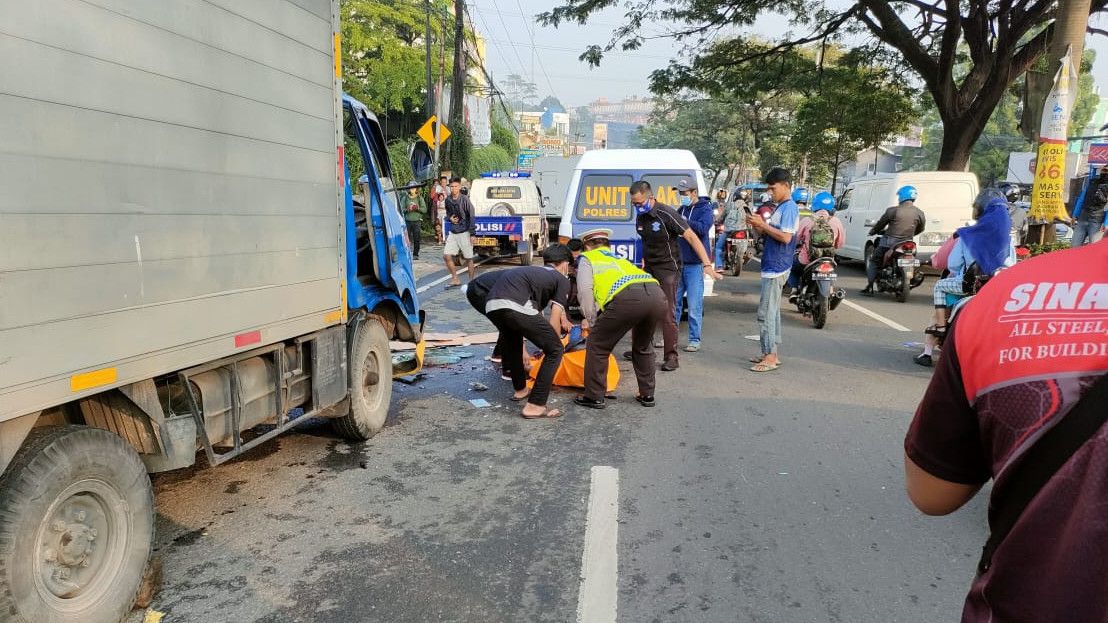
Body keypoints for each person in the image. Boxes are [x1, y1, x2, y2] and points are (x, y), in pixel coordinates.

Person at [903, 241, 1108, 623]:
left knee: (940, 292)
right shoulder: (1001, 249)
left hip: (1024, 605)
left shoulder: (1006, 292)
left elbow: (931, 493)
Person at [626, 180, 721, 371]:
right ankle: (642, 348)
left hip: (669, 269)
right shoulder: (641, 216)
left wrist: (707, 264)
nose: (637, 207)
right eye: (634, 204)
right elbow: (645, 241)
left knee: (668, 313)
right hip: (650, 269)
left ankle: (671, 357)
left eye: (640, 203)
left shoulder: (667, 213)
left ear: (650, 197)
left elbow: (692, 237)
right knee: (645, 309)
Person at [915, 190, 1014, 367]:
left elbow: (953, 264)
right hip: (996, 292)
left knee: (940, 288)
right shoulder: (1008, 240)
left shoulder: (967, 236)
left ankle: (933, 341)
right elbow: (1012, 266)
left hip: (967, 287)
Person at [572, 229, 668, 409]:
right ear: (608, 245)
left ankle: (594, 396)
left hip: (628, 300)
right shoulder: (620, 259)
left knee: (598, 344)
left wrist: (592, 321)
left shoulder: (588, 259)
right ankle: (647, 395)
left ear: (586, 246)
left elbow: (585, 292)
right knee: (642, 345)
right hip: (657, 296)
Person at [483, 244, 575, 419]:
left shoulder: (532, 272)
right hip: (515, 304)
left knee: (514, 341)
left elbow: (534, 313)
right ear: (564, 264)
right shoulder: (561, 279)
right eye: (568, 267)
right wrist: (555, 343)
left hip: (491, 305)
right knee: (555, 350)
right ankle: (535, 405)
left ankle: (520, 390)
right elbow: (554, 317)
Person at [747, 167, 799, 372]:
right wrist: (756, 225)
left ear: (785, 186)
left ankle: (769, 355)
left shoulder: (789, 208)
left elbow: (785, 237)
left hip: (777, 266)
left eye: (773, 188)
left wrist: (764, 225)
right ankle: (771, 353)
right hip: (772, 264)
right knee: (772, 311)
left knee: (766, 312)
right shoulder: (780, 207)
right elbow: (772, 234)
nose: (770, 192)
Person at [861, 185, 927, 296]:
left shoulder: (893, 211)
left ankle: (870, 287)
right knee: (914, 261)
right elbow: (921, 228)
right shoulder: (919, 213)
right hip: (908, 244)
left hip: (889, 243)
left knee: (874, 261)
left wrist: (873, 231)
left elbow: (880, 224)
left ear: (901, 197)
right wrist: (910, 235)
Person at [674, 179, 714, 352]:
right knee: (674, 304)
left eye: (684, 193)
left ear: (694, 193)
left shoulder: (705, 209)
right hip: (679, 264)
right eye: (680, 193)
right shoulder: (682, 209)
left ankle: (694, 339)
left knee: (694, 305)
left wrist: (683, 222)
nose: (682, 196)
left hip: (694, 265)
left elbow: (703, 228)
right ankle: (671, 338)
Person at [785, 191, 844, 295]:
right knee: (830, 272)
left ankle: (794, 290)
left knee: (792, 267)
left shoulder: (807, 220)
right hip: (827, 260)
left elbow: (795, 240)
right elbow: (840, 244)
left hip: (806, 261)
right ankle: (830, 291)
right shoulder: (836, 221)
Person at [443, 177, 477, 287]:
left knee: (469, 258)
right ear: (449, 187)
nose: (453, 188)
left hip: (465, 232)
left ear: (459, 187)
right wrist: (450, 219)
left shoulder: (465, 199)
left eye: (456, 186)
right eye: (451, 186)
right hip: (453, 232)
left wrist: (472, 234)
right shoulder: (448, 200)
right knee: (447, 256)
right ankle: (455, 278)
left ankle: (471, 281)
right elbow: (448, 213)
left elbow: (471, 215)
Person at [1073, 168, 1108, 247]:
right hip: (1083, 218)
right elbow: (1082, 198)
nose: (1105, 173)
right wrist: (1075, 214)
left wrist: (1106, 223)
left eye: (1107, 171)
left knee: (1094, 248)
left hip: (1096, 221)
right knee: (1074, 246)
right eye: (1104, 170)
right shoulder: (1092, 182)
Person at [715, 189, 749, 270]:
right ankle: (744, 254)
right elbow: (750, 218)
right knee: (748, 239)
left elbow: (722, 217)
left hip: (728, 230)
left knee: (718, 247)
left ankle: (719, 266)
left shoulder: (729, 205)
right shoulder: (747, 206)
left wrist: (717, 222)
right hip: (742, 230)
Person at [402, 186, 427, 259]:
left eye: (413, 188)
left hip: (417, 221)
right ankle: (407, 254)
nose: (412, 190)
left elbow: (424, 210)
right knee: (406, 239)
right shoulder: (405, 198)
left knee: (417, 238)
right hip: (407, 221)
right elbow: (400, 209)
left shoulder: (419, 198)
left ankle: (415, 254)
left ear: (416, 189)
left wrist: (417, 208)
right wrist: (407, 209)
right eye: (410, 188)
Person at [432, 174, 448, 244]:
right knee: (438, 224)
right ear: (440, 182)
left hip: (446, 210)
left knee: (445, 225)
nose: (444, 183)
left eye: (445, 182)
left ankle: (445, 238)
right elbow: (432, 196)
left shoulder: (448, 188)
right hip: (438, 209)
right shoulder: (437, 188)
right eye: (442, 182)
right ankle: (439, 238)